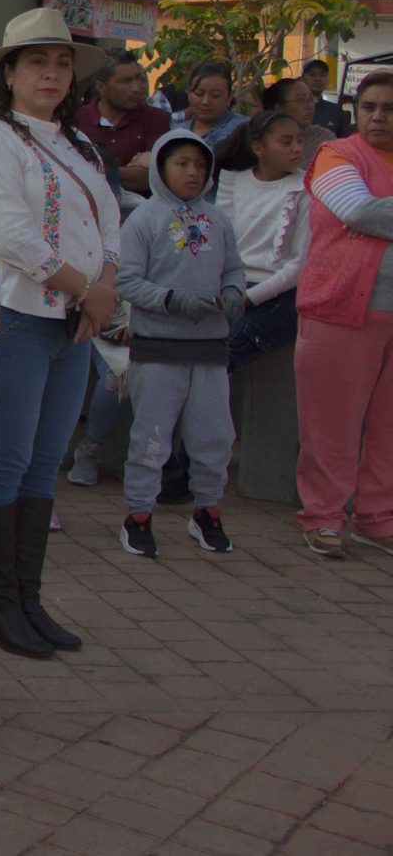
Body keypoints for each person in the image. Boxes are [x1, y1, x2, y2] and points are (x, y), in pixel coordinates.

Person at [0, 9, 119, 660]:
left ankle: (26, 596)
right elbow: (11, 236)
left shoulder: (76, 144)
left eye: (60, 64)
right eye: (36, 63)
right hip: (21, 318)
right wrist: (88, 286)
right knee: (8, 456)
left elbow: (110, 223)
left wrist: (101, 286)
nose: (51, 74)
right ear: (10, 74)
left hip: (73, 324)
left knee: (44, 460)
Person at [113, 132, 246, 559]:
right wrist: (170, 300)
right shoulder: (143, 221)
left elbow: (234, 269)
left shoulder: (219, 221)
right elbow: (125, 280)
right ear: (160, 169)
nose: (193, 172)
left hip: (209, 349)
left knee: (215, 438)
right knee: (152, 439)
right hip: (158, 349)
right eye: (182, 164)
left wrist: (233, 293)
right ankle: (138, 515)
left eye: (200, 166)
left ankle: (207, 511)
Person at [293, 70, 393, 558]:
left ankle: (378, 518)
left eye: (389, 109)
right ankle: (324, 516)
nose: (377, 116)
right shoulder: (336, 155)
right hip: (340, 311)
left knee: (391, 427)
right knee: (331, 424)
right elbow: (359, 212)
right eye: (369, 106)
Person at [216, 110, 309, 372]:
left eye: (299, 141)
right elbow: (221, 244)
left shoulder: (306, 188)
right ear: (259, 147)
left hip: (278, 294)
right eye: (286, 142)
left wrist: (248, 298)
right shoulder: (233, 180)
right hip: (230, 285)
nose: (296, 149)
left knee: (220, 358)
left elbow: (299, 265)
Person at [77, 54, 170, 196]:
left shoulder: (155, 118)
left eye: (139, 79)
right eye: (125, 81)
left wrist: (94, 170)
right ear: (101, 87)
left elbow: (154, 177)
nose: (136, 88)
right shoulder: (77, 120)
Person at [171, 60, 247, 153]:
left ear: (229, 98)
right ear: (189, 95)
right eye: (199, 94)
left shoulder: (243, 129)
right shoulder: (177, 132)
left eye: (215, 95)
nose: (205, 102)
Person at [262, 77, 334, 163]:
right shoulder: (261, 138)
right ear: (278, 108)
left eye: (311, 100)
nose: (309, 106)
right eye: (301, 100)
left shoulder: (324, 139)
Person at [302, 57, 347, 136]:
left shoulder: (335, 111)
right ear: (302, 79)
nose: (318, 79)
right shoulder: (294, 108)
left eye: (322, 75)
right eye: (312, 74)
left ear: (327, 79)